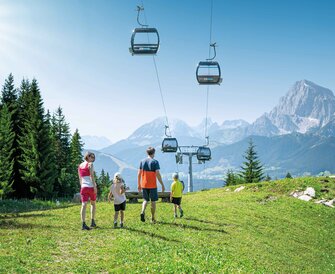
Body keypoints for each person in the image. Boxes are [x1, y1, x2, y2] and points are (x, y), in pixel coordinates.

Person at [138, 146, 165, 223]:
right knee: (153, 201)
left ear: (147, 153)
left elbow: (139, 174)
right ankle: (152, 218)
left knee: (145, 200)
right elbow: (157, 174)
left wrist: (139, 184)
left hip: (144, 184)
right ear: (154, 153)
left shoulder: (142, 161)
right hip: (152, 185)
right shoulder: (155, 162)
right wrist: (162, 184)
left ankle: (142, 211)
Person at [78, 151, 97, 230]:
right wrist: (95, 186)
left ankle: (83, 224)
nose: (93, 159)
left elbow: (80, 178)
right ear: (88, 157)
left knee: (83, 205)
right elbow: (92, 176)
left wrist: (82, 186)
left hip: (83, 187)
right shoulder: (90, 164)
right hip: (91, 187)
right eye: (91, 157)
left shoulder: (80, 166)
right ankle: (92, 221)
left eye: (93, 157)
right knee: (93, 204)